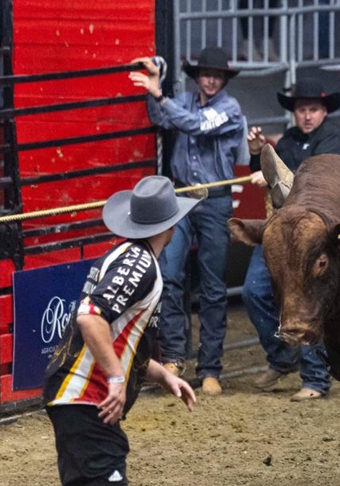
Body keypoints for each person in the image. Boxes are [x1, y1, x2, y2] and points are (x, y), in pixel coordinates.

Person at [43, 176, 198, 486]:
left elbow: (114, 335)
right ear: (171, 226)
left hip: (79, 392)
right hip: (85, 393)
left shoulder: (128, 257)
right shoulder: (141, 264)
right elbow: (90, 317)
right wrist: (116, 379)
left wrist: (159, 376)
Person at [129, 47, 246, 395]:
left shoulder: (229, 109)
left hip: (213, 202)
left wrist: (159, 94)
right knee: (169, 276)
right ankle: (176, 356)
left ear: (223, 79)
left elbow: (190, 124)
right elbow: (160, 118)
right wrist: (156, 87)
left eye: (217, 75)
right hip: (181, 199)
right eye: (206, 74)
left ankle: (211, 367)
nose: (210, 79)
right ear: (198, 77)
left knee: (211, 285)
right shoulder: (181, 101)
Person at [244, 78, 340, 401]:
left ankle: (316, 377)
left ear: (323, 111)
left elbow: (312, 180)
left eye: (313, 110)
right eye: (302, 110)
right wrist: (257, 155)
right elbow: (268, 174)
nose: (307, 115)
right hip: (285, 231)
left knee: (309, 296)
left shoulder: (333, 138)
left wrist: (275, 169)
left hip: (315, 234)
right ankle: (281, 355)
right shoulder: (288, 139)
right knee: (254, 291)